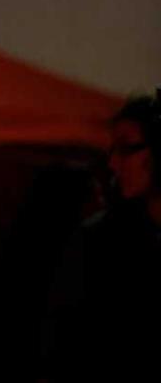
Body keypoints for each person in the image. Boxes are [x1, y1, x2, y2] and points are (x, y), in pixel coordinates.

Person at [43, 93, 161, 380]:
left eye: (125, 149)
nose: (113, 163)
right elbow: (64, 337)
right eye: (113, 150)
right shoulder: (100, 240)